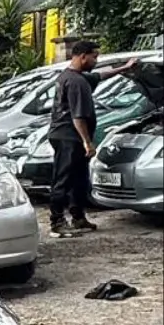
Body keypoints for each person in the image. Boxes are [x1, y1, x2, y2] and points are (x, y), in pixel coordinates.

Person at [47, 40, 141, 237]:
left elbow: (100, 75)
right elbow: (78, 117)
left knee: (79, 179)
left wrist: (124, 68)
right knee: (63, 179)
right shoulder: (77, 82)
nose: (96, 61)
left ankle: (78, 217)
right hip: (69, 137)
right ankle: (57, 222)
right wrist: (87, 142)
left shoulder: (72, 76)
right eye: (94, 57)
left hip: (68, 136)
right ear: (83, 56)